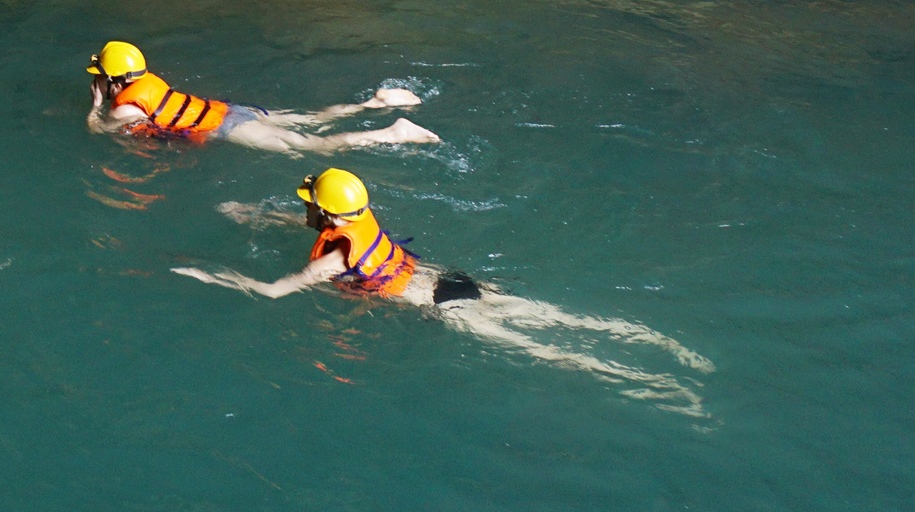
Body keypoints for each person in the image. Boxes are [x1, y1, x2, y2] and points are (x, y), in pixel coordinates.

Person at [172, 168, 715, 415]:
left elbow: (272, 292)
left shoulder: (333, 257)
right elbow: (323, 228)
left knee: (549, 352)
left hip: (442, 306)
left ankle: (654, 386)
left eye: (309, 202)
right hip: (454, 279)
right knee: (562, 320)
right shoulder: (358, 222)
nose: (305, 206)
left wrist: (209, 274)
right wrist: (251, 214)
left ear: (327, 213)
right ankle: (669, 349)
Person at [84, 41, 439, 153]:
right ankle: (373, 103)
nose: (96, 79)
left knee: (313, 145)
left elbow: (100, 131)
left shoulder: (126, 107)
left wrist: (96, 107)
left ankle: (392, 133)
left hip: (228, 128)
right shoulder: (149, 81)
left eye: (99, 75)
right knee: (313, 119)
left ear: (114, 79)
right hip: (231, 110)